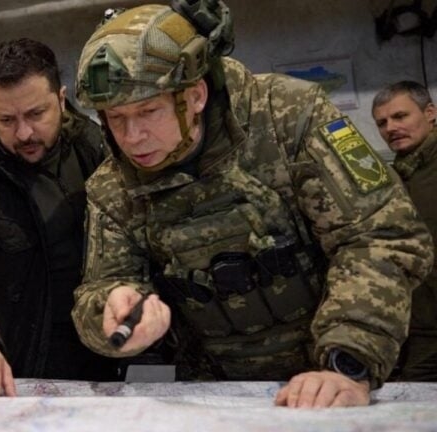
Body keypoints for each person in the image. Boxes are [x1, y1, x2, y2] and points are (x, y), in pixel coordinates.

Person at [71, 2, 433, 408]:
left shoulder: (289, 116)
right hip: (217, 397)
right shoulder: (112, 186)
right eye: (115, 117)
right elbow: (98, 290)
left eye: (148, 110)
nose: (131, 136)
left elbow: (379, 235)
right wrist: (110, 309)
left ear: (195, 95)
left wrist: (348, 362)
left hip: (335, 375)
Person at [0, 37, 117, 397]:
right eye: (6, 120)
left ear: (61, 99)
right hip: (24, 363)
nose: (24, 133)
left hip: (111, 355)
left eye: (36, 114)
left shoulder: (100, 150)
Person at [372, 81, 437, 381]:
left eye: (400, 116)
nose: (391, 128)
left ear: (430, 113)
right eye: (382, 123)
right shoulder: (396, 174)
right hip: (415, 324)